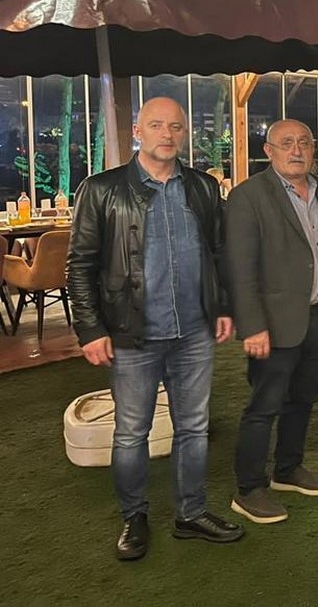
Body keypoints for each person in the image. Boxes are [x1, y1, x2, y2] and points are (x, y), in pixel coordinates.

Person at [66, 96, 243, 561]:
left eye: (176, 127)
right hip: (132, 333)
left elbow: (218, 253)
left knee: (194, 427)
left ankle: (191, 513)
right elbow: (80, 265)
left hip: (195, 333)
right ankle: (134, 517)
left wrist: (223, 307)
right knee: (131, 433)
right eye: (157, 125)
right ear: (137, 131)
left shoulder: (203, 187)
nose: (167, 134)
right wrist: (90, 329)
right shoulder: (101, 189)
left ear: (185, 133)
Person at [226, 119, 318, 524]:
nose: (297, 150)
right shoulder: (248, 197)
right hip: (273, 324)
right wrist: (252, 325)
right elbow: (240, 268)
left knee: (304, 397)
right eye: (287, 143)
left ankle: (288, 469)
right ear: (269, 150)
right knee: (264, 406)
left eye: (304, 143)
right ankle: (249, 488)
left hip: (315, 316)